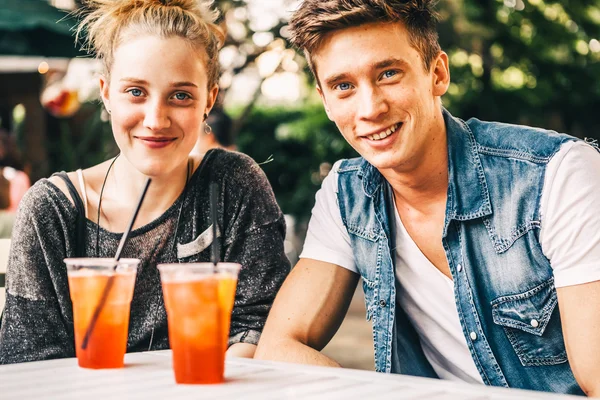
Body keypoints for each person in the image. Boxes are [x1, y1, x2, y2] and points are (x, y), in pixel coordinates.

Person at [254, 0, 600, 396]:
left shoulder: (557, 175)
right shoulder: (347, 196)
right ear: (326, 100)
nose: (370, 109)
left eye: (388, 73)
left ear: (437, 74)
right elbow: (279, 346)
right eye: (343, 86)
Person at [0, 0, 289, 364]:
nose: (155, 119)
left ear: (208, 100)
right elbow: (28, 360)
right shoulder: (54, 210)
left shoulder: (232, 185)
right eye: (136, 91)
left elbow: (259, 325)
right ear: (105, 93)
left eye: (181, 96)